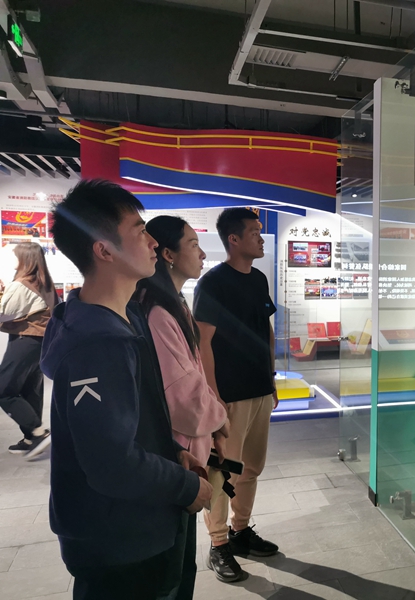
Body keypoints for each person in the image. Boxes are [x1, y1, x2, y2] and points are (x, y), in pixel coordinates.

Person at [40, 179, 213, 600]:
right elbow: (110, 463)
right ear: (104, 250)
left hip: (142, 524)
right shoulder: (97, 342)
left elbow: (131, 425)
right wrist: (187, 487)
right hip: (120, 541)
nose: (153, 242)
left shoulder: (123, 317)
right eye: (139, 231)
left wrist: (172, 454)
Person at [136, 215, 230, 599]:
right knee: (171, 575)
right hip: (174, 458)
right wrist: (219, 417)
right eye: (193, 244)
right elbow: (183, 398)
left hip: (185, 455)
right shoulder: (158, 312)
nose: (203, 253)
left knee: (181, 566)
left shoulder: (173, 304)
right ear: (168, 254)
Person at [193, 208, 280, 583]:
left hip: (259, 389)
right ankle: (218, 544)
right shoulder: (213, 283)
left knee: (251, 468)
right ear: (233, 239)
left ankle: (241, 530)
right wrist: (213, 397)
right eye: (254, 232)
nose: (260, 238)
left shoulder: (258, 279)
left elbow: (266, 330)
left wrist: (271, 379)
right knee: (222, 472)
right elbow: (203, 343)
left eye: (260, 231)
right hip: (229, 394)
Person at [0, 242, 58, 458]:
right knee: (30, 388)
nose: (11, 259)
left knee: (3, 389)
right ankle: (30, 438)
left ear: (25, 259)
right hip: (42, 342)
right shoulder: (45, 284)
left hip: (25, 340)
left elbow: (4, 313)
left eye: (14, 255)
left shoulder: (21, 285)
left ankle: (37, 432)